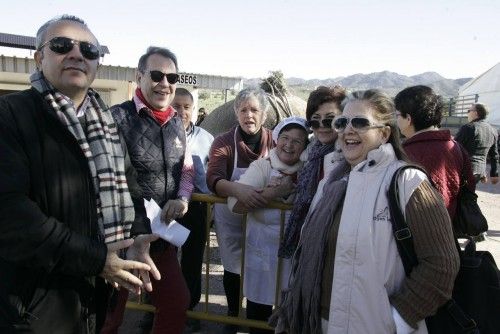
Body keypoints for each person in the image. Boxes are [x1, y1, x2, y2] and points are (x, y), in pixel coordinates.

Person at [0, 15, 158, 333]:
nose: (76, 54)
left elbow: (131, 186)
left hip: (93, 297)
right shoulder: (11, 115)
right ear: (39, 57)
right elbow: (10, 215)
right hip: (32, 306)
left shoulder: (107, 124)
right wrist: (97, 260)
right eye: (61, 45)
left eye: (88, 50)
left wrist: (139, 237)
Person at [272, 89, 460, 334]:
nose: (347, 130)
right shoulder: (330, 182)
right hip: (317, 323)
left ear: (383, 133)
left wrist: (396, 321)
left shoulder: (407, 182)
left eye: (360, 123)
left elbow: (441, 265)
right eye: (342, 122)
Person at [102, 47, 194, 334]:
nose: (164, 83)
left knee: (176, 303)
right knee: (108, 316)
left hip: (158, 237)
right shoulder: (115, 119)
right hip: (118, 240)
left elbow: (187, 169)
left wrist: (183, 198)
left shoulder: (178, 122)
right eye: (156, 75)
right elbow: (107, 179)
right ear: (139, 76)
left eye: (172, 77)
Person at [227, 117, 308, 334]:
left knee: (288, 316)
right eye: (285, 138)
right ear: (276, 140)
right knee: (258, 317)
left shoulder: (311, 171)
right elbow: (235, 204)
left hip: (293, 258)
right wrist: (275, 193)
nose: (289, 145)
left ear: (305, 146)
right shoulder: (262, 167)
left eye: (297, 141)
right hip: (261, 254)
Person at [206, 87, 274, 333]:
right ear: (236, 112)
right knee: (232, 267)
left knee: (262, 266)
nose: (249, 115)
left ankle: (258, 318)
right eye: (243, 110)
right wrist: (238, 191)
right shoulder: (224, 142)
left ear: (264, 115)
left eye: (255, 110)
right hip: (230, 219)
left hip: (262, 217)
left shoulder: (274, 141)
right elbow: (214, 178)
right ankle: (233, 314)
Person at [278, 86, 346, 259]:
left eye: (330, 119)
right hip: (308, 241)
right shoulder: (311, 157)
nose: (322, 126)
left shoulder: (348, 161)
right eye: (315, 120)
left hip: (332, 249)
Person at [395, 85, 476, 223]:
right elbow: (470, 184)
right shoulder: (456, 146)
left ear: (408, 119)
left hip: (414, 232)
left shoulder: (404, 153)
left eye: (397, 115)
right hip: (448, 227)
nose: (396, 120)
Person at [172, 88, 214, 331]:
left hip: (196, 208)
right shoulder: (161, 133)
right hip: (164, 206)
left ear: (194, 110)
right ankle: (152, 307)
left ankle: (188, 309)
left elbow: (214, 173)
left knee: (192, 260)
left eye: (187, 106)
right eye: (177, 105)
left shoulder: (207, 139)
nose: (181, 111)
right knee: (159, 258)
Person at [455, 103, 499, 184]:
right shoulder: (493, 130)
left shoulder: (468, 127)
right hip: (479, 172)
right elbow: (494, 155)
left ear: (475, 113)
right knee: (470, 194)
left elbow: (454, 148)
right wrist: (494, 173)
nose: (467, 113)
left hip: (464, 171)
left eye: (469, 111)